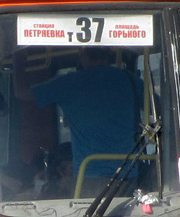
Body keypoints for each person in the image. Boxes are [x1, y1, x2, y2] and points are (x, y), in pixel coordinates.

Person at [28, 48, 140, 183]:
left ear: (81, 56)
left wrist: (17, 54)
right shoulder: (129, 80)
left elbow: (20, 92)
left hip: (88, 176)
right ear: (110, 53)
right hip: (128, 174)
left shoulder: (68, 83)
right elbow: (160, 108)